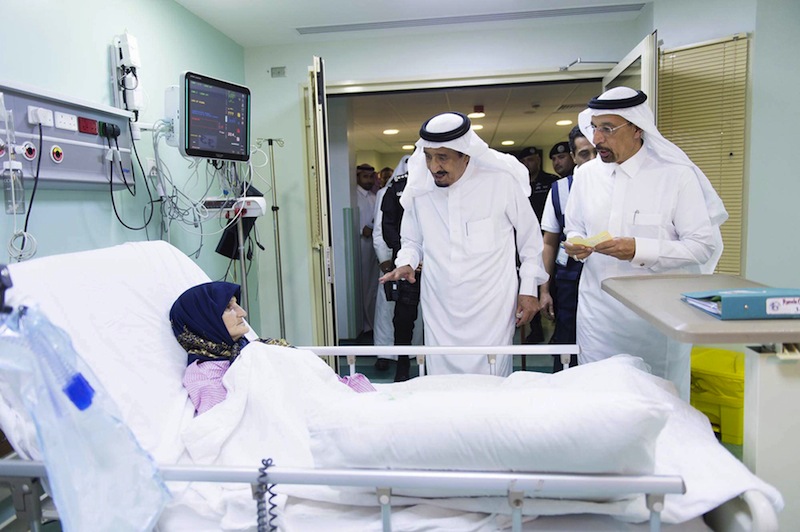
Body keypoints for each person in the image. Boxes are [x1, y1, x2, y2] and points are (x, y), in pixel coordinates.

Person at [563, 86, 727, 399]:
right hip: (599, 317)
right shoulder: (585, 175)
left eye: (608, 129)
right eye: (594, 128)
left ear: (638, 128)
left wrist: (639, 249)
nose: (597, 139)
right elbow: (574, 227)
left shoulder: (675, 175)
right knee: (600, 400)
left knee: (660, 402)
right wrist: (574, 245)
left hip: (657, 321)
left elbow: (701, 246)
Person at [380, 112, 547, 377]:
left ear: (466, 155)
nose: (433, 166)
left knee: (491, 377)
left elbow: (530, 241)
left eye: (442, 157)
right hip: (440, 304)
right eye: (428, 157)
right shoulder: (421, 187)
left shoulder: (500, 181)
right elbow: (411, 240)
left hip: (492, 303)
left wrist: (529, 290)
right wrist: (406, 263)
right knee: (442, 379)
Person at [169, 281, 375, 415]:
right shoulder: (205, 376)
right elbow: (225, 423)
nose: (242, 313)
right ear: (204, 321)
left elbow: (313, 379)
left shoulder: (250, 347)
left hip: (334, 401)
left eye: (236, 304)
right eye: (229, 308)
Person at [538, 126, 596, 372]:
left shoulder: (619, 184)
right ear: (573, 157)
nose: (592, 160)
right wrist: (544, 290)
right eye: (584, 154)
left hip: (609, 278)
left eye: (596, 152)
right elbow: (549, 243)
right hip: (570, 279)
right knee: (567, 339)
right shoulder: (560, 190)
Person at [380, 154, 424, 381]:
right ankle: (403, 364)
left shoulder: (445, 184)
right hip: (408, 264)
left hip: (441, 265)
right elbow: (387, 226)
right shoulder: (397, 187)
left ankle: (441, 366)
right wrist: (406, 255)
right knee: (403, 318)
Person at [355, 163, 379, 336]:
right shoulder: (353, 196)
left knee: (372, 287)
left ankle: (370, 324)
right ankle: (362, 325)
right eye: (365, 177)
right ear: (357, 177)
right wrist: (361, 230)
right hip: (360, 246)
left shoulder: (374, 197)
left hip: (373, 248)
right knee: (362, 286)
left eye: (371, 177)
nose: (369, 180)